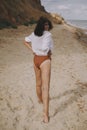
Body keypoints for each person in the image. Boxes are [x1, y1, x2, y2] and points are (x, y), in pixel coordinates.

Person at [24, 16, 53, 123]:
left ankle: (40, 100)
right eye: (45, 24)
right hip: (44, 59)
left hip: (35, 58)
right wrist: (48, 52)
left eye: (48, 24)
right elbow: (46, 48)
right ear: (41, 25)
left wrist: (33, 50)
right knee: (45, 87)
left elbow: (25, 41)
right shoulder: (48, 34)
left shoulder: (34, 34)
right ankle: (45, 115)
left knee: (38, 83)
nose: (47, 26)